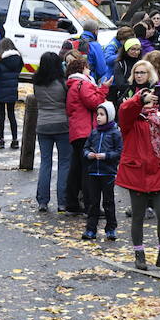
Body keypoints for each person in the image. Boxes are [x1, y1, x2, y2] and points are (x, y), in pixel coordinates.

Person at [116, 85, 160, 271]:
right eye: (147, 100)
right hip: (137, 174)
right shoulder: (131, 120)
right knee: (138, 216)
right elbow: (124, 110)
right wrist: (140, 98)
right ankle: (139, 254)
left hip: (159, 172)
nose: (150, 103)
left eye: (152, 100)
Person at [65, 57, 111, 214]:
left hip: (77, 131)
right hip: (85, 131)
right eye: (87, 67)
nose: (89, 69)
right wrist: (104, 88)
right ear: (82, 68)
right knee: (87, 170)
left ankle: (72, 204)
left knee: (77, 168)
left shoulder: (73, 85)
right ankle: (91, 206)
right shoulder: (82, 83)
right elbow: (94, 103)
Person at [33, 52, 71, 213]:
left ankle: (43, 201)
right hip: (62, 124)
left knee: (45, 163)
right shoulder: (63, 83)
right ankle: (62, 201)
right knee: (64, 163)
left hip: (43, 124)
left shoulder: (37, 83)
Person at [81, 102, 122, 241]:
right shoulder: (94, 132)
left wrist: (106, 156)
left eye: (102, 114)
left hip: (107, 172)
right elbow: (86, 148)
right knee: (93, 202)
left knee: (108, 202)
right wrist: (88, 155)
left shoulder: (115, 133)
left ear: (109, 116)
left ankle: (111, 228)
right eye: (97, 114)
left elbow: (119, 152)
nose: (98, 117)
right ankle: (91, 229)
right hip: (93, 172)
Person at [0, 38, 24, 149]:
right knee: (12, 115)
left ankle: (1, 139)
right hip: (12, 90)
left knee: (1, 115)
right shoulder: (18, 59)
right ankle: (15, 139)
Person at [111, 38, 142, 105]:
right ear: (126, 50)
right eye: (133, 49)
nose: (136, 52)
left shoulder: (142, 63)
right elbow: (121, 85)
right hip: (125, 99)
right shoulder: (120, 64)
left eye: (138, 49)